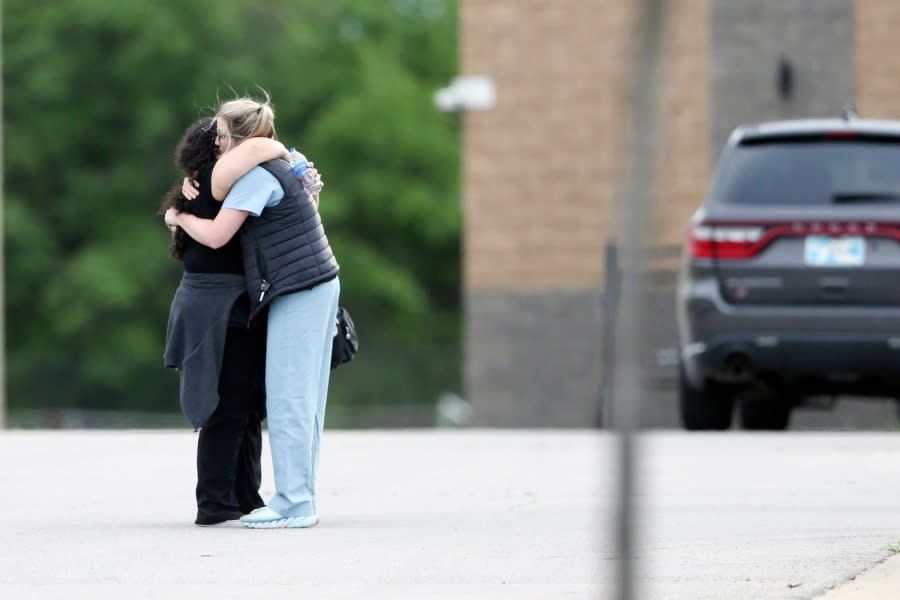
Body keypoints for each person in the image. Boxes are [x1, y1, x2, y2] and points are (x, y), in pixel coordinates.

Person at [165, 92, 340, 529]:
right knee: (296, 399)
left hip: (299, 287)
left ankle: (295, 502)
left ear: (240, 138)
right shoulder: (275, 165)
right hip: (311, 283)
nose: (216, 141)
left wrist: (177, 216)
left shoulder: (255, 173)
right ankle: (293, 498)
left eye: (222, 133)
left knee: (288, 399)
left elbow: (219, 234)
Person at [161, 117, 291, 526]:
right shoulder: (212, 187)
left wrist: (175, 214)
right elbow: (218, 239)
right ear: (217, 148)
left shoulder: (199, 188)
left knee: (243, 406)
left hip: (218, 303)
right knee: (233, 406)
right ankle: (219, 500)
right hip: (225, 307)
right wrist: (177, 215)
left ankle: (241, 496)